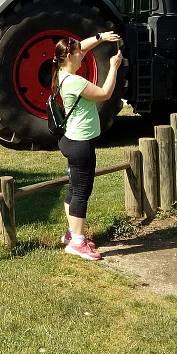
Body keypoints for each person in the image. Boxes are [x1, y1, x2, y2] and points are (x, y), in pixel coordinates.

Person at [52, 32, 122, 261]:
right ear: (70, 56)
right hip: (81, 143)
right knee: (82, 192)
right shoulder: (75, 81)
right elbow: (104, 94)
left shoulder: (61, 72)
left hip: (71, 140)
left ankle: (72, 233)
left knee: (73, 188)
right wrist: (114, 67)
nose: (82, 53)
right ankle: (78, 243)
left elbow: (79, 47)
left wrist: (100, 37)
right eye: (78, 52)